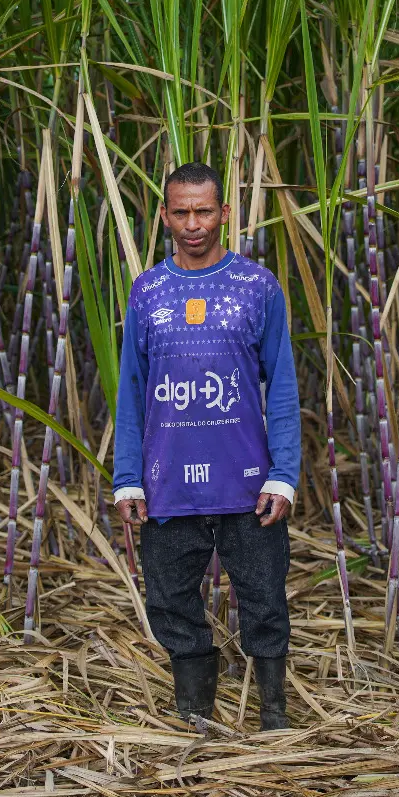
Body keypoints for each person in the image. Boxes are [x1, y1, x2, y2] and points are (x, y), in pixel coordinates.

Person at [113, 162, 301, 731]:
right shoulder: (149, 291)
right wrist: (128, 476)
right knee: (170, 598)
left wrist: (284, 474)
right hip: (167, 481)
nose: (192, 223)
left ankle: (274, 718)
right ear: (164, 215)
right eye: (181, 211)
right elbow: (132, 392)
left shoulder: (256, 286)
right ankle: (196, 716)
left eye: (203, 211)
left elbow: (284, 386)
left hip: (246, 482)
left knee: (265, 595)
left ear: (224, 213)